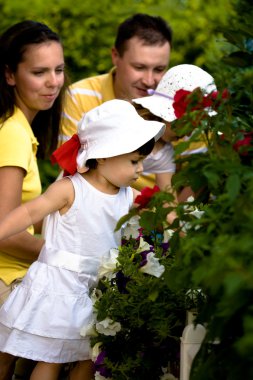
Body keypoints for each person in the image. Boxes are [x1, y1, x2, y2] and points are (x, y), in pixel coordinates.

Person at [0, 99, 165, 380]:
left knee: (88, 359)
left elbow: (161, 213)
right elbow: (30, 211)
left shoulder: (128, 196)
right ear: (102, 155)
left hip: (97, 292)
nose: (140, 171)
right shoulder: (70, 189)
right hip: (59, 288)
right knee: (49, 358)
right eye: (134, 161)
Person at [0, 20, 67, 380]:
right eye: (39, 72)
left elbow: (24, 217)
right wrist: (68, 258)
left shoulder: (18, 128)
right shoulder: (12, 133)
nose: (53, 82)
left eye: (58, 70)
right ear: (10, 75)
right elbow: (6, 231)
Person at [61, 13, 172, 143]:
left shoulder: (176, 105)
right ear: (115, 56)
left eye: (159, 69)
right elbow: (70, 162)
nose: (149, 81)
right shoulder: (78, 98)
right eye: (139, 67)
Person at [132, 64, 217, 200]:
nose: (189, 134)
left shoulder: (164, 153)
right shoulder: (125, 129)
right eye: (188, 122)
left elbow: (168, 200)